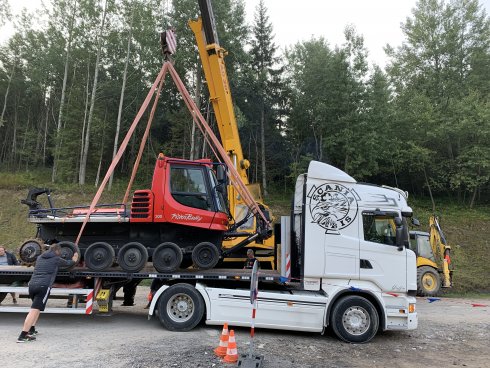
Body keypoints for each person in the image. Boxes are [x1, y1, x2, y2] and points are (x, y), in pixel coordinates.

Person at [17, 243, 79, 343]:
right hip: (43, 286)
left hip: (32, 285)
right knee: (34, 310)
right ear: (58, 251)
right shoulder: (56, 259)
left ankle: (32, 330)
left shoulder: (40, 257)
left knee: (36, 309)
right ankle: (23, 335)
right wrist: (74, 258)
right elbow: (69, 263)